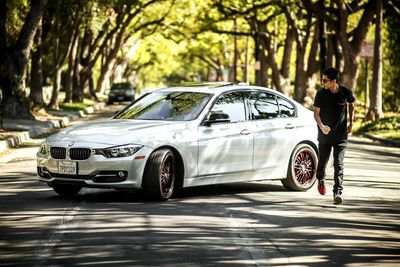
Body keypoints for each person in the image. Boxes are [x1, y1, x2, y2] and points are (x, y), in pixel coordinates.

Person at [313, 67, 355, 205]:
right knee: (322, 164)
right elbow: (316, 114)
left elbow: (352, 104)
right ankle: (321, 179)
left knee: (339, 164)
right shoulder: (320, 94)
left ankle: (337, 192)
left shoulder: (345, 92)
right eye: (322, 79)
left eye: (325, 80)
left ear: (333, 81)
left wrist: (351, 123)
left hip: (341, 136)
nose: (322, 82)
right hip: (325, 135)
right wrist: (322, 126)